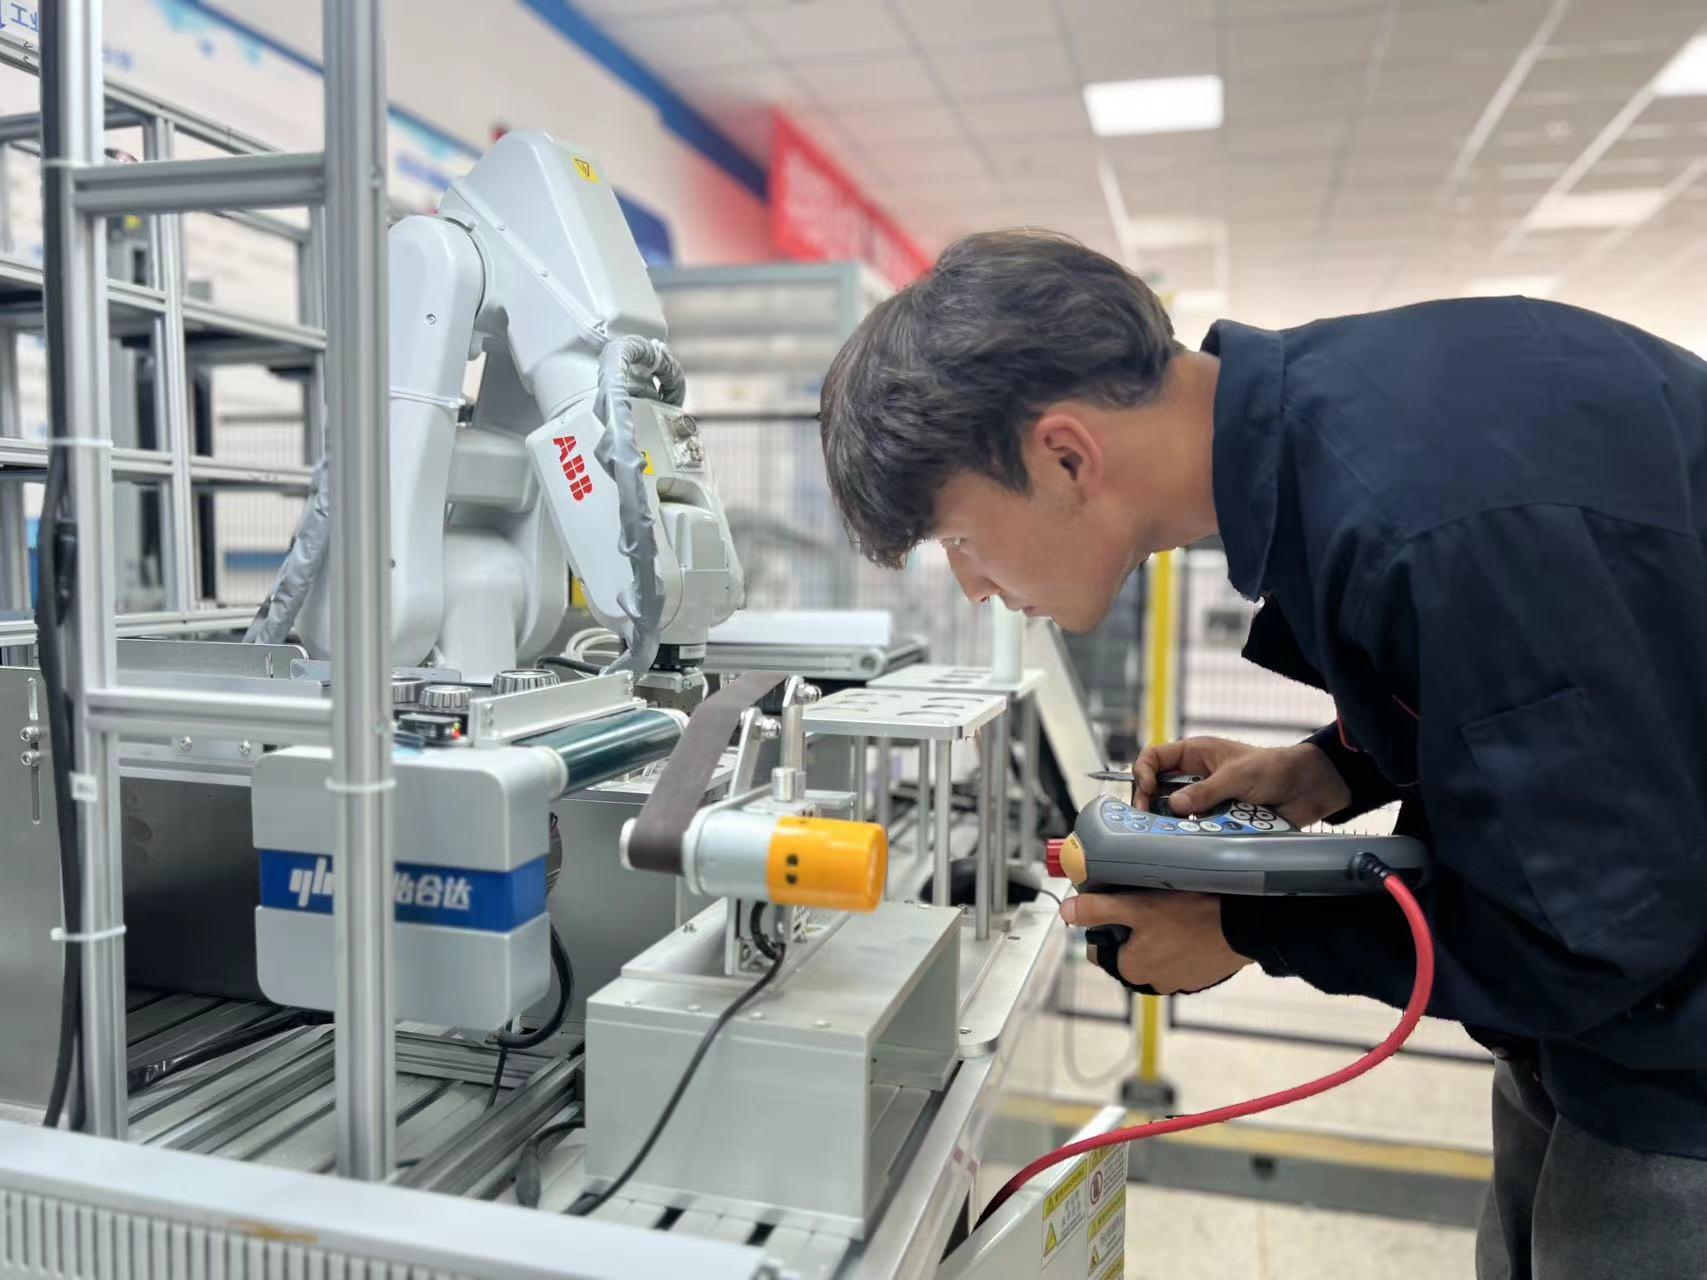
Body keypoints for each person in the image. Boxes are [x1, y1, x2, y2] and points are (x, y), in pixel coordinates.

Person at [817, 229, 1707, 1279]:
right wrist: (1331, 766)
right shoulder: (1351, 429)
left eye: (959, 540)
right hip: (1593, 1046)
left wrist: (1245, 926)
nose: (971, 586)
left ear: (1064, 456)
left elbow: (1592, 939)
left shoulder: (1428, 521)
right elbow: (1578, 691)